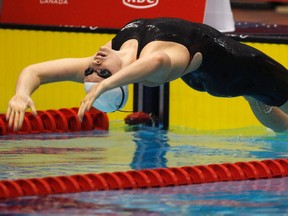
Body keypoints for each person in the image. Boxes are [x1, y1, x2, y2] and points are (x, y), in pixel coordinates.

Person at [6, 17, 288, 132]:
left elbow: (37, 72)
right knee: (272, 90)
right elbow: (158, 60)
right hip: (229, 70)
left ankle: (259, 101)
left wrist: (21, 94)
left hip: (201, 69)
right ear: (122, 78)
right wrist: (109, 83)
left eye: (91, 71)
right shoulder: (154, 67)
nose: (94, 62)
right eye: (102, 72)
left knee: (257, 97)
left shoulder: (111, 57)